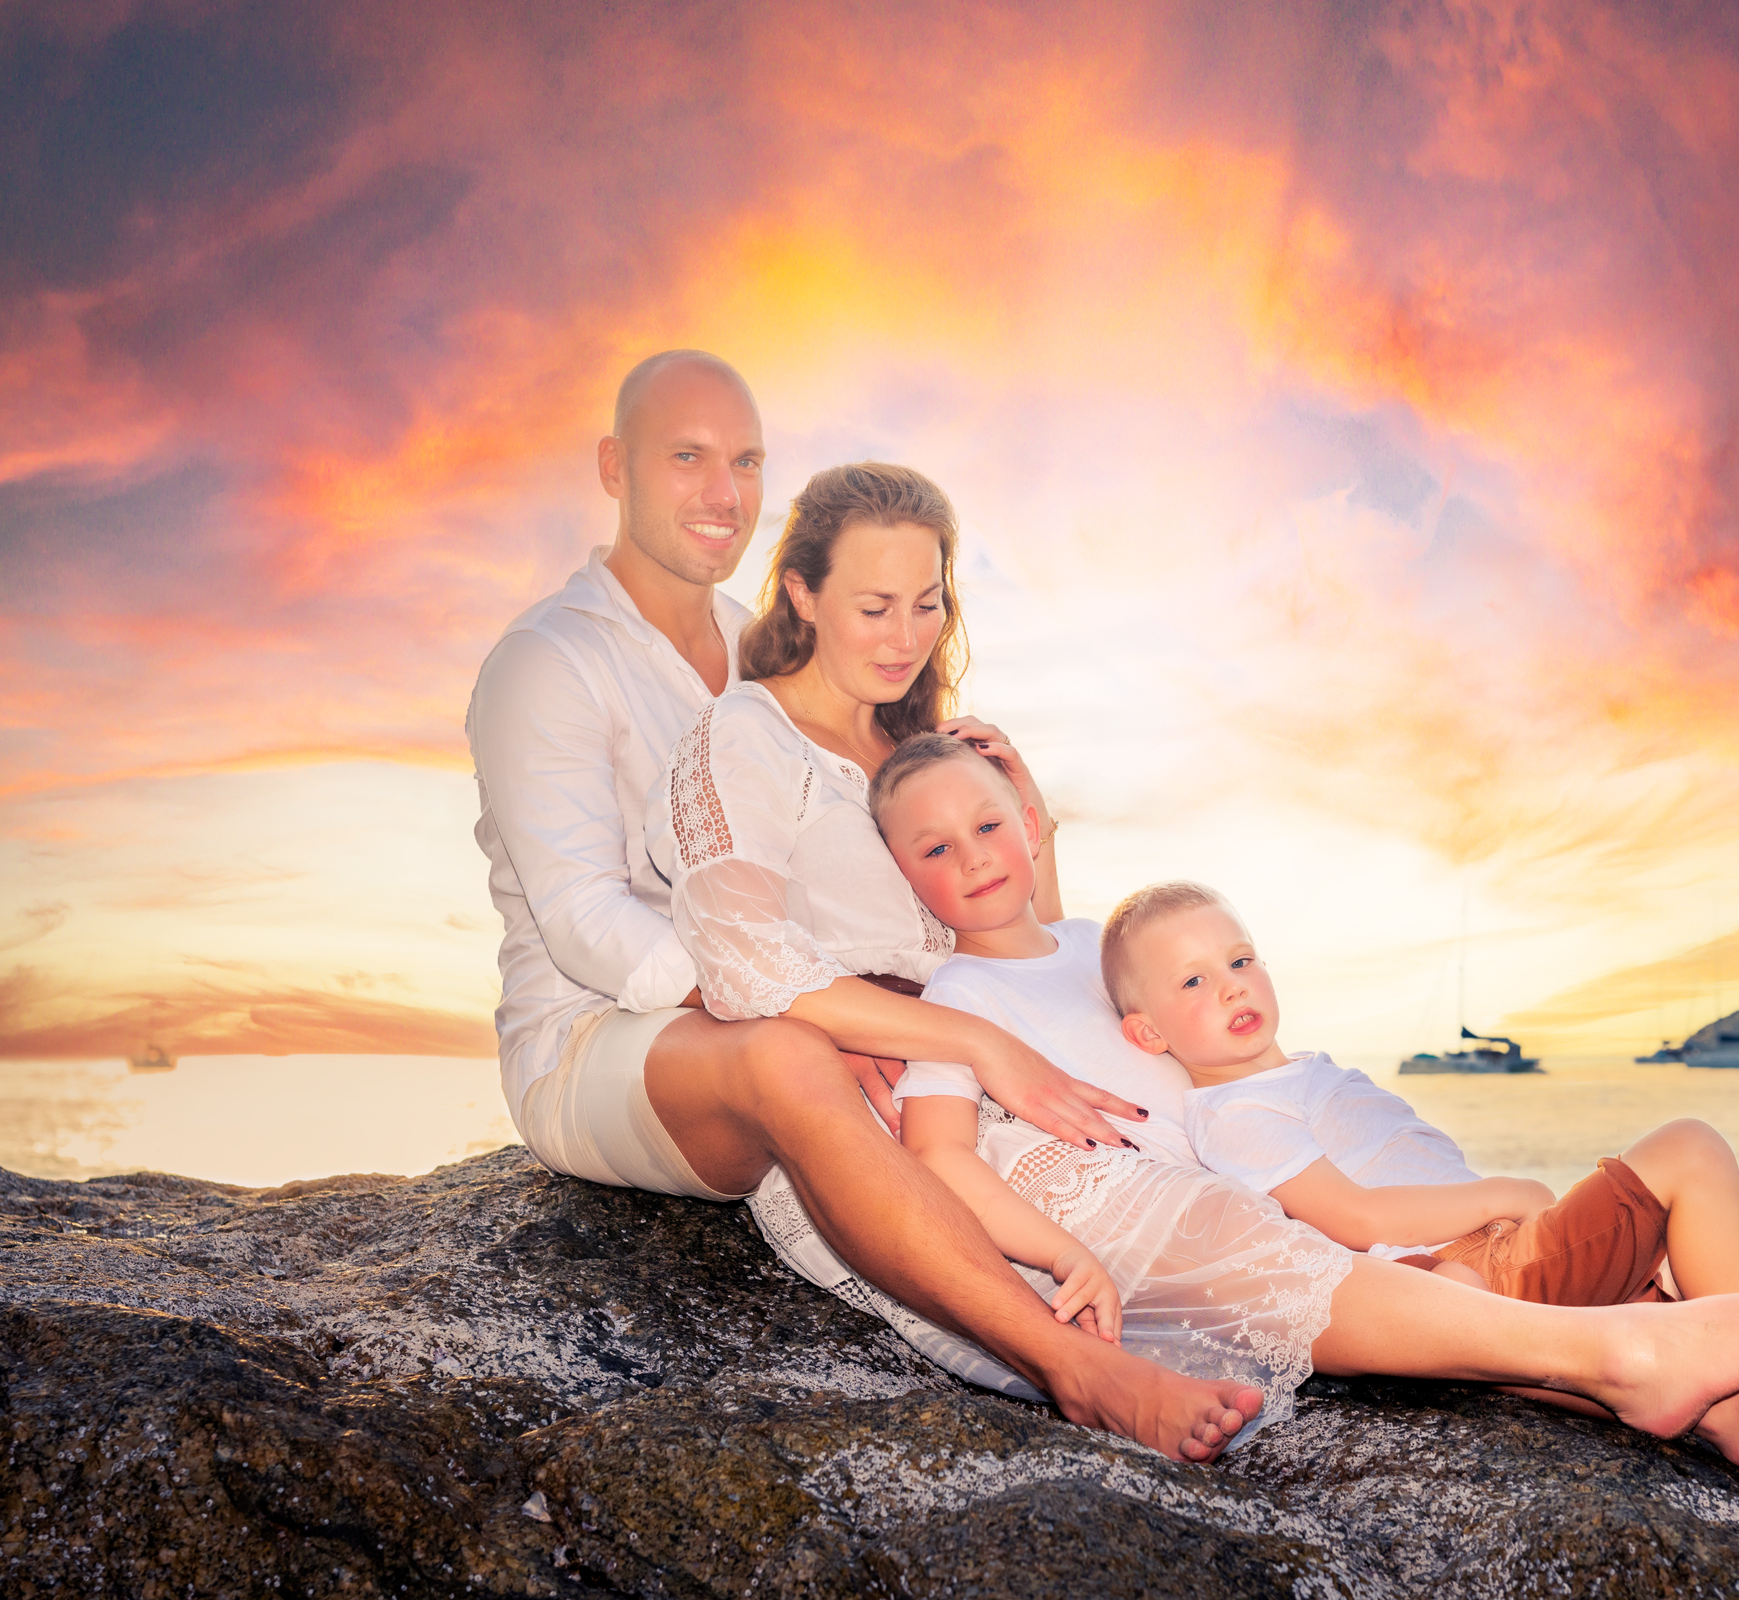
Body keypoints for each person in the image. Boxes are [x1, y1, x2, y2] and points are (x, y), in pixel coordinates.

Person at [660, 483, 1739, 1464]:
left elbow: (1092, 975)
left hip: (1183, 1145)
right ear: (801, 592)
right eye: (874, 602)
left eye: (928, 602)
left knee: (1411, 1263)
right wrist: (989, 1086)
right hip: (974, 1121)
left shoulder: (981, 818)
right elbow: (764, 968)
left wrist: (1041, 829)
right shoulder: (757, 747)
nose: (908, 633)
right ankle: (1658, 1365)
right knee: (1312, 1256)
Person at [467, 353, 1265, 1462]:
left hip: (783, 1005)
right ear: (615, 468)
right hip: (600, 1035)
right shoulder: (549, 661)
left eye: (744, 461)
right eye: (685, 458)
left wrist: (1021, 840)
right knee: (789, 1062)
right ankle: (1076, 1368)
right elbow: (582, 919)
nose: (721, 492)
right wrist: (802, 1011)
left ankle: (1395, 1251)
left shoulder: (772, 646)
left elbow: (944, 917)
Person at [1093, 876, 1739, 1478]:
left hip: (1486, 1260)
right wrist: (1503, 1195)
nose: (1233, 987)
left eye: (1240, 961)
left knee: (1647, 1305)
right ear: (1148, 1036)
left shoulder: (1294, 1074)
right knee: (1689, 1148)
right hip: (1459, 1274)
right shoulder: (1237, 1110)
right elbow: (1350, 1215)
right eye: (1195, 982)